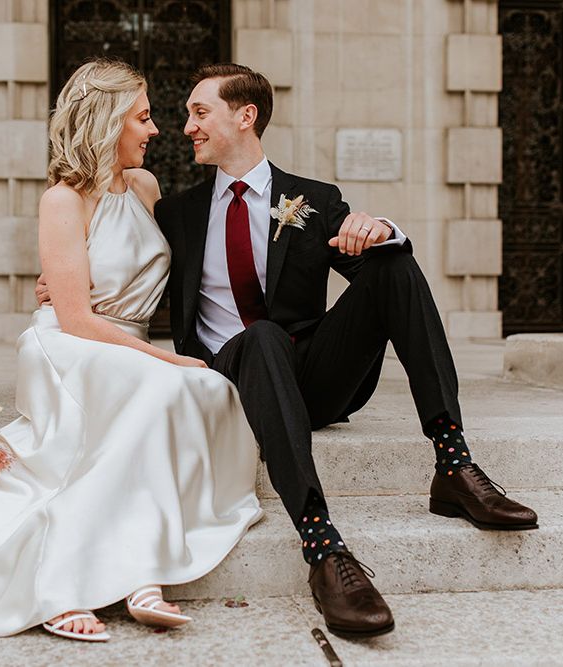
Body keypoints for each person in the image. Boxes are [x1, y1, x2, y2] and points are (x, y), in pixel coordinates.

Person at [0, 58, 262, 642]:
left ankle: (139, 563)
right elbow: (77, 318)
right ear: (109, 121)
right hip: (69, 345)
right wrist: (169, 358)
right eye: (143, 117)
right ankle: (109, 575)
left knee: (206, 389)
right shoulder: (64, 199)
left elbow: (161, 270)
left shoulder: (145, 187)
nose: (157, 129)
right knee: (172, 386)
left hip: (125, 344)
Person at [150, 63, 538, 639]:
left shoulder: (313, 199)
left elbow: (373, 267)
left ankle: (453, 463)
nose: (187, 127)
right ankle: (323, 546)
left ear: (245, 116)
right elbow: (130, 279)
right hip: (231, 380)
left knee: (394, 266)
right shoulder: (177, 214)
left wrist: (379, 229)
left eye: (199, 112)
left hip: (313, 377)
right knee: (259, 336)